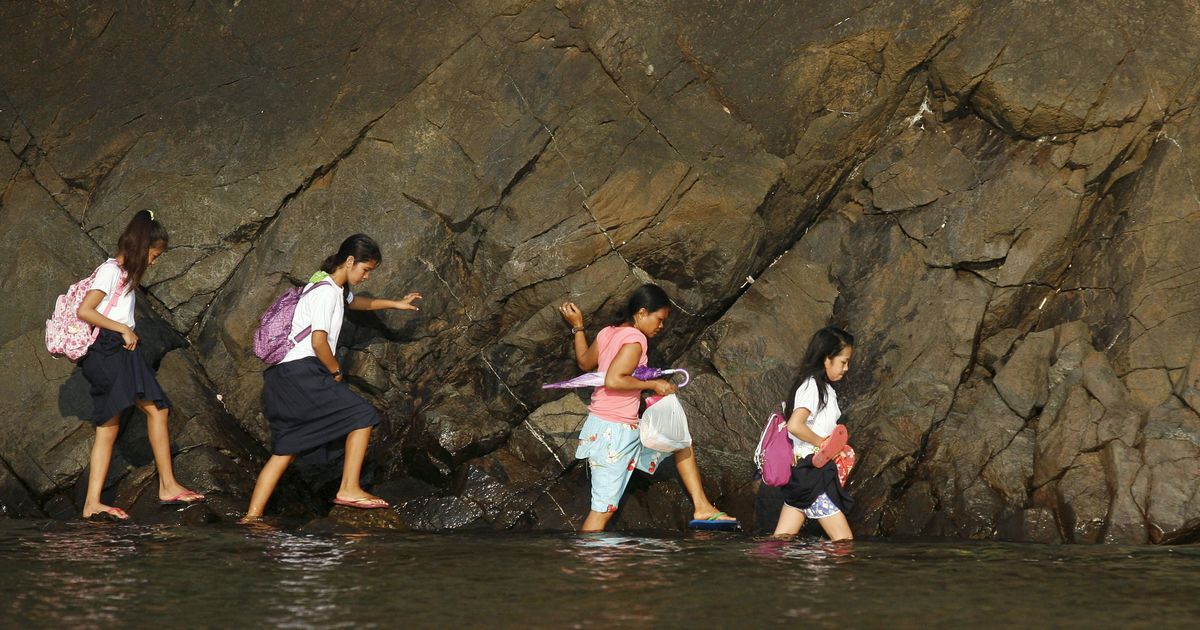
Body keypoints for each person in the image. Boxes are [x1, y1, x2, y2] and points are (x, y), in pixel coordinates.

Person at [241, 234, 420, 521]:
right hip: (302, 372)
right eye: (365, 269)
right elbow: (319, 341)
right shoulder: (326, 292)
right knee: (363, 415)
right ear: (350, 261)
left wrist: (396, 304)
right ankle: (348, 488)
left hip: (281, 376)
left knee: (287, 447)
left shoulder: (324, 283)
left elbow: (356, 302)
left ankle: (251, 517)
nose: (366, 276)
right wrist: (335, 371)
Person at [559, 283, 737, 532]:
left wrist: (578, 327)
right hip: (614, 435)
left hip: (623, 429)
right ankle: (587, 566)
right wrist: (653, 384)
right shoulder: (635, 339)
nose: (661, 326)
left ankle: (703, 507)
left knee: (680, 442)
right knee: (602, 512)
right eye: (659, 319)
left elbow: (584, 361)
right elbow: (614, 379)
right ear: (641, 313)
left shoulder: (608, 332)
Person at [75, 210, 203, 520]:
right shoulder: (111, 271)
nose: (154, 262)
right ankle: (165, 485)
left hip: (117, 351)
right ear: (142, 245)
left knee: (116, 423)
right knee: (147, 413)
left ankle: (96, 502)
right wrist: (123, 329)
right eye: (154, 254)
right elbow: (85, 311)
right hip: (109, 349)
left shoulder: (123, 274)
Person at [773, 326, 855, 541]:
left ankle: (769, 572)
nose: (846, 368)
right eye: (843, 362)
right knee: (843, 543)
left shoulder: (823, 388)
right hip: (813, 475)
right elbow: (795, 425)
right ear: (826, 359)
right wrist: (824, 444)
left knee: (782, 539)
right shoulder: (812, 387)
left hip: (804, 473)